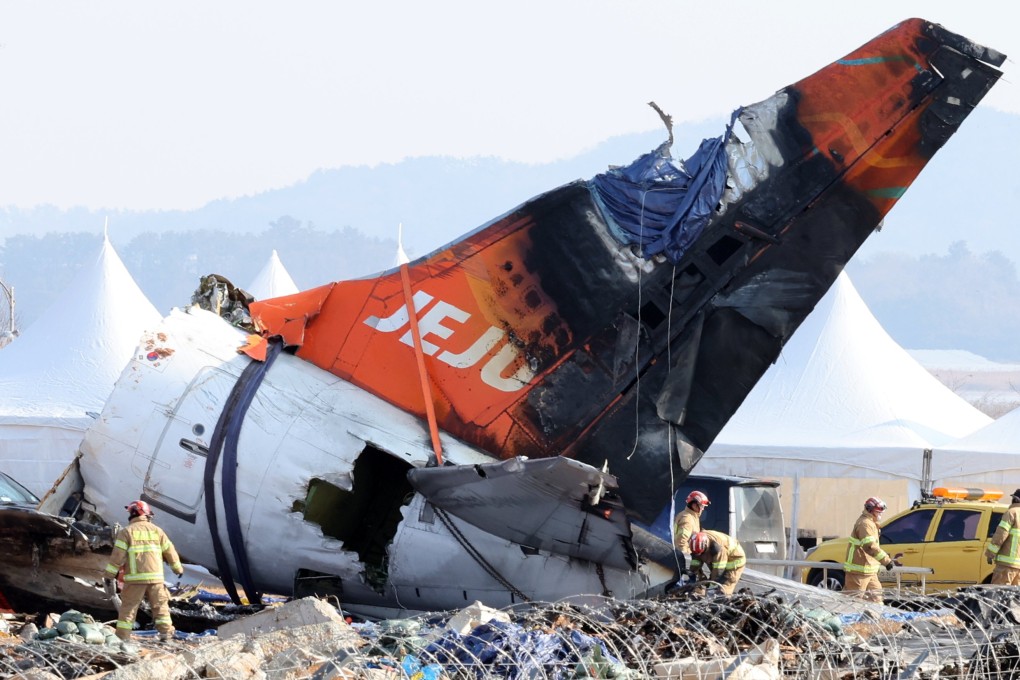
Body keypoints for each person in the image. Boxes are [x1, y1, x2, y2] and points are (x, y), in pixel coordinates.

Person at [104, 500, 184, 641]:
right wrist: (177, 568)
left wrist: (109, 575)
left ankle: (122, 640)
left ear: (133, 513)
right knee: (160, 608)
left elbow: (117, 556)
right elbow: (170, 551)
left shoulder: (126, 532)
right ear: (146, 514)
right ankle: (167, 637)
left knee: (128, 609)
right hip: (156, 579)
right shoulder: (157, 531)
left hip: (135, 580)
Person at [843, 496, 897, 602]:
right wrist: (886, 560)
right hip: (858, 572)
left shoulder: (871, 523)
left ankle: (875, 618)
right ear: (871, 510)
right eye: (879, 511)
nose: (881, 513)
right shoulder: (865, 524)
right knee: (853, 602)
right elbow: (870, 546)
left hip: (869, 571)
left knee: (876, 600)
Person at [688, 530, 746, 596]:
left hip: (734, 560)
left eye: (701, 553)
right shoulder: (697, 541)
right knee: (710, 582)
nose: (700, 555)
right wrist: (692, 572)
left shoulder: (718, 548)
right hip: (718, 558)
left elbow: (718, 570)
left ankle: (723, 599)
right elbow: (696, 559)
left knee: (725, 584)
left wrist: (712, 586)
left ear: (706, 545)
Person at [986, 489, 1020, 585]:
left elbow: (1001, 534)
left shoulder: (1012, 513)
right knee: (1015, 597)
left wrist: (990, 554)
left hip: (1006, 566)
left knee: (998, 594)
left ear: (1015, 499)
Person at [673, 490, 710, 555]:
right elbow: (681, 543)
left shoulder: (691, 517)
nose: (703, 509)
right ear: (694, 505)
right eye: (702, 506)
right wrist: (686, 559)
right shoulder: (687, 519)